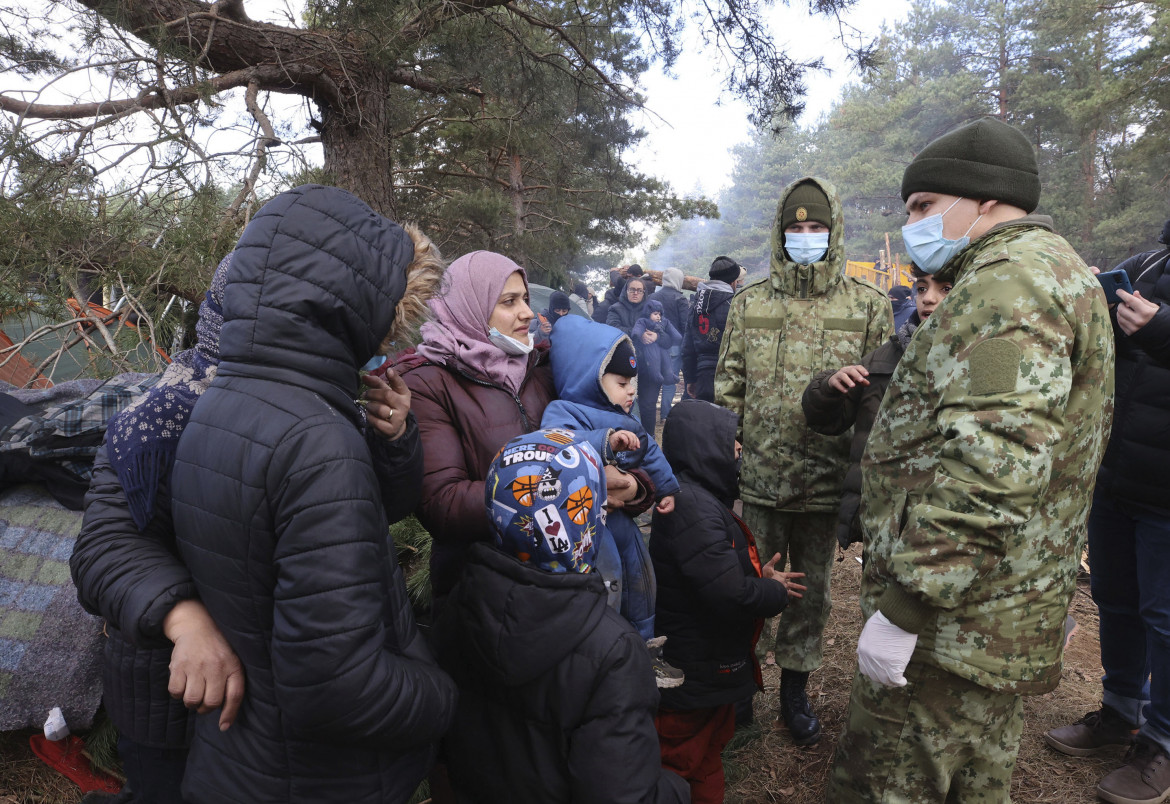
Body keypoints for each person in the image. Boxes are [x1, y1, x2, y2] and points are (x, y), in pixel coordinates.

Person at [827, 117, 1115, 802]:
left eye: (925, 207)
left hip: (950, 630)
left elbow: (994, 465)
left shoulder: (1006, 290)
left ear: (983, 201)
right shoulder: (1057, 274)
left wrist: (904, 610)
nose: (917, 224)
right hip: (997, 615)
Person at [170, 185, 458, 803]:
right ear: (349, 302)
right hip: (320, 777)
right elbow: (337, 687)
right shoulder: (315, 439)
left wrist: (395, 440)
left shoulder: (223, 401)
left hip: (241, 758)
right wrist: (442, 692)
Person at [715, 177, 892, 745]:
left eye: (817, 228)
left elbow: (880, 404)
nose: (807, 237)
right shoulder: (751, 302)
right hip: (763, 476)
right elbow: (729, 385)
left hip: (825, 479)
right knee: (751, 583)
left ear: (834, 232)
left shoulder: (868, 306)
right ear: (780, 233)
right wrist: (730, 445)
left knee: (809, 593)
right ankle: (741, 684)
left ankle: (795, 689)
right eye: (797, 228)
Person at [434, 430, 690, 804]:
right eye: (597, 506)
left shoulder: (459, 602)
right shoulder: (613, 652)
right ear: (583, 522)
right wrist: (679, 791)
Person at [71, 256, 242, 803]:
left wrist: (395, 441)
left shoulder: (315, 408)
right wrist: (184, 618)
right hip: (165, 694)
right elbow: (103, 547)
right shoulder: (156, 418)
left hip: (266, 698)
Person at [395, 251, 655, 607]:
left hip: (574, 578)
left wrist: (634, 485)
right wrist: (571, 487)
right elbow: (444, 504)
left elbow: (610, 432)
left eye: (526, 300)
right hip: (491, 589)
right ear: (471, 306)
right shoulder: (429, 383)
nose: (528, 312)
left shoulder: (542, 366)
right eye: (509, 301)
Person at [1044, 218, 1170, 804]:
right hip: (1118, 471)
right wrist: (1100, 305)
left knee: (1165, 618)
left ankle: (1162, 746)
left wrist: (1163, 327)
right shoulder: (1149, 263)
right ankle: (1122, 711)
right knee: (1115, 600)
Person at [649, 399, 805, 803]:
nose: (738, 450)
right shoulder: (692, 509)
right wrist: (772, 592)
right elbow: (727, 594)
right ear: (704, 446)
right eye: (730, 441)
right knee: (680, 759)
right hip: (692, 670)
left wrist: (757, 575)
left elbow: (713, 574)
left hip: (708, 667)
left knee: (707, 751)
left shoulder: (701, 501)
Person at [542, 314, 683, 686]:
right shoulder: (563, 410)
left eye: (632, 384)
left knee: (641, 576)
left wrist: (667, 487)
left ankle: (646, 648)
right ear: (590, 376)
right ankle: (608, 655)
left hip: (623, 521)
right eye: (622, 383)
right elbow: (555, 446)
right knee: (608, 582)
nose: (630, 391)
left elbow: (651, 451)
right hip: (589, 524)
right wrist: (605, 441)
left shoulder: (628, 415)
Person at [800, 265, 952, 551]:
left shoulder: (978, 360)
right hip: (883, 521)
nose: (928, 299)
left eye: (945, 289)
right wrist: (828, 387)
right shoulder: (885, 357)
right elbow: (828, 422)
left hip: (944, 525)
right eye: (921, 288)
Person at [683, 257, 741, 403]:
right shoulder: (734, 304)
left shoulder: (695, 305)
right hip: (730, 376)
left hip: (703, 376)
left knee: (707, 422)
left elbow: (687, 347)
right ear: (733, 282)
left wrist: (690, 378)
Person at [632, 298, 682, 432]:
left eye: (659, 314)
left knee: (649, 404)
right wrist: (639, 335)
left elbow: (672, 339)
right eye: (655, 314)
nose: (658, 316)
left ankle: (669, 375)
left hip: (658, 357)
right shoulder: (642, 321)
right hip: (640, 362)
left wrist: (658, 336)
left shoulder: (663, 323)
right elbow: (635, 332)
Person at [651, 267, 691, 419]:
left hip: (653, 345)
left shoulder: (652, 297)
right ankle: (665, 414)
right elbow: (685, 324)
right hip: (673, 347)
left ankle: (649, 409)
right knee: (669, 381)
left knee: (653, 378)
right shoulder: (680, 299)